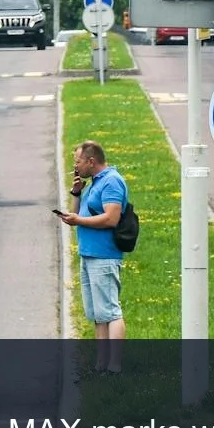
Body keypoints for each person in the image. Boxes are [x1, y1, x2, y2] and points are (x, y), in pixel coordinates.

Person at [57, 140, 127, 375]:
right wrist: (76, 192)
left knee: (111, 311)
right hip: (88, 254)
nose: (75, 167)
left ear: (91, 161)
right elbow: (76, 213)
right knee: (98, 314)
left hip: (104, 256)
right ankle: (101, 364)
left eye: (77, 162)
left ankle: (115, 366)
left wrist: (78, 221)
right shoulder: (94, 183)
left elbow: (111, 219)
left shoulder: (111, 182)